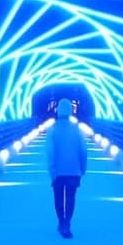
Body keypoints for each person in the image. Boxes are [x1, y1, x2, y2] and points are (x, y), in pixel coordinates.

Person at [45, 102, 87, 237]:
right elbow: (83, 150)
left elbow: (50, 152)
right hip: (73, 171)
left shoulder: (53, 130)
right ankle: (67, 223)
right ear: (70, 111)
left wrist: (52, 170)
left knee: (58, 198)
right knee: (70, 197)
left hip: (58, 172)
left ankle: (61, 222)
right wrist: (83, 167)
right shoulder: (77, 129)